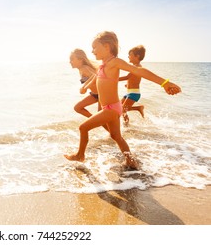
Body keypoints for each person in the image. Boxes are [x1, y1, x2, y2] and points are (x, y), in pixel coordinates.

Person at [64, 31, 181, 169]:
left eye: (95, 47)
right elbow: (96, 77)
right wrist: (85, 87)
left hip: (111, 109)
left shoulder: (115, 62)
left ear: (107, 46)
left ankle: (80, 155)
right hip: (111, 107)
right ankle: (130, 160)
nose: (92, 51)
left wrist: (165, 83)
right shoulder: (103, 64)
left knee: (83, 128)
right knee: (116, 136)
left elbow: (139, 71)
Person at [119, 45, 145, 124]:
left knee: (123, 109)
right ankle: (138, 108)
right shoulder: (135, 67)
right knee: (120, 107)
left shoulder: (137, 67)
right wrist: (128, 85)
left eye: (130, 55)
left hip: (134, 93)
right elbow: (134, 79)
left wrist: (113, 79)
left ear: (137, 56)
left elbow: (127, 77)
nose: (128, 57)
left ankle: (127, 124)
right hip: (130, 92)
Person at [69, 49, 99, 118]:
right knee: (77, 108)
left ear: (80, 59)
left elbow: (96, 76)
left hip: (101, 95)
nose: (70, 62)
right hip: (95, 95)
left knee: (101, 118)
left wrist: (84, 87)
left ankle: (96, 121)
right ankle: (94, 120)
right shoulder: (81, 69)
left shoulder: (84, 68)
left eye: (72, 59)